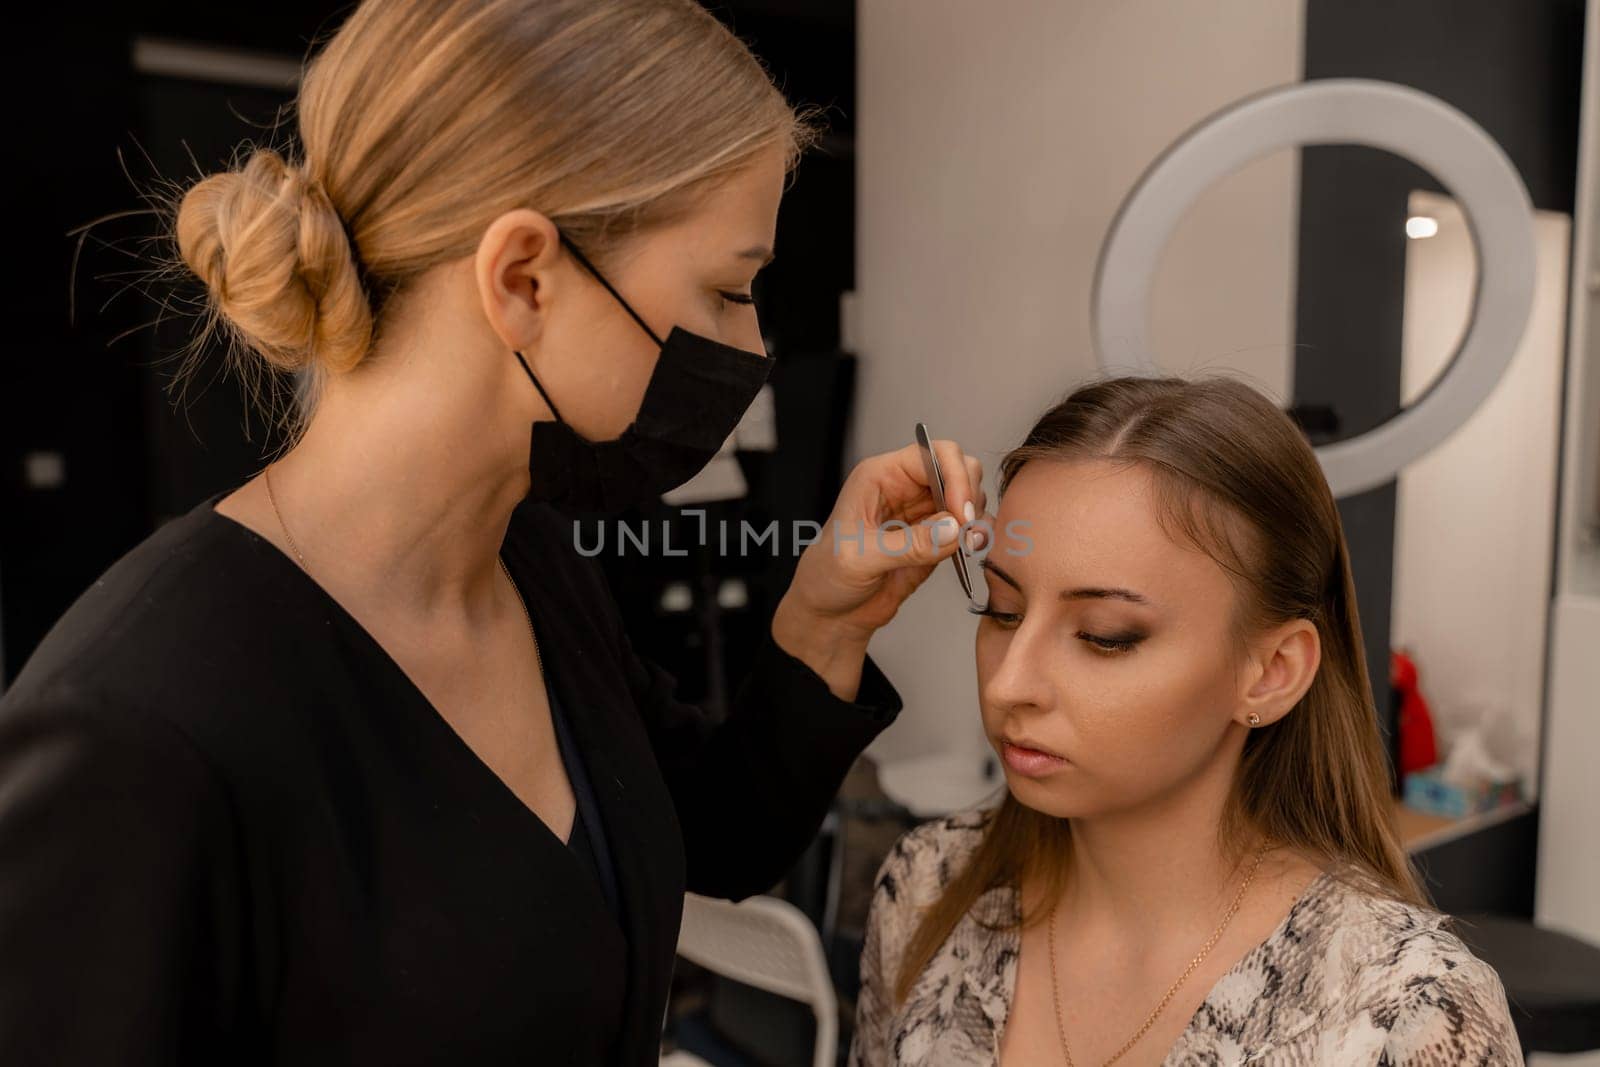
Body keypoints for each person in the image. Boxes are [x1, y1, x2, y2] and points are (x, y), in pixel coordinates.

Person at [0, 2, 990, 1063]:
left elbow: (705, 833)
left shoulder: (533, 559)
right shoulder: (144, 723)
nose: (751, 343)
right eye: (730, 288)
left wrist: (822, 617)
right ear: (522, 278)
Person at [848, 376, 1522, 1065]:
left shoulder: (1409, 1016)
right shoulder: (926, 888)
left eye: (1106, 635)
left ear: (1272, 671)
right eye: (1001, 610)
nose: (1009, 683)